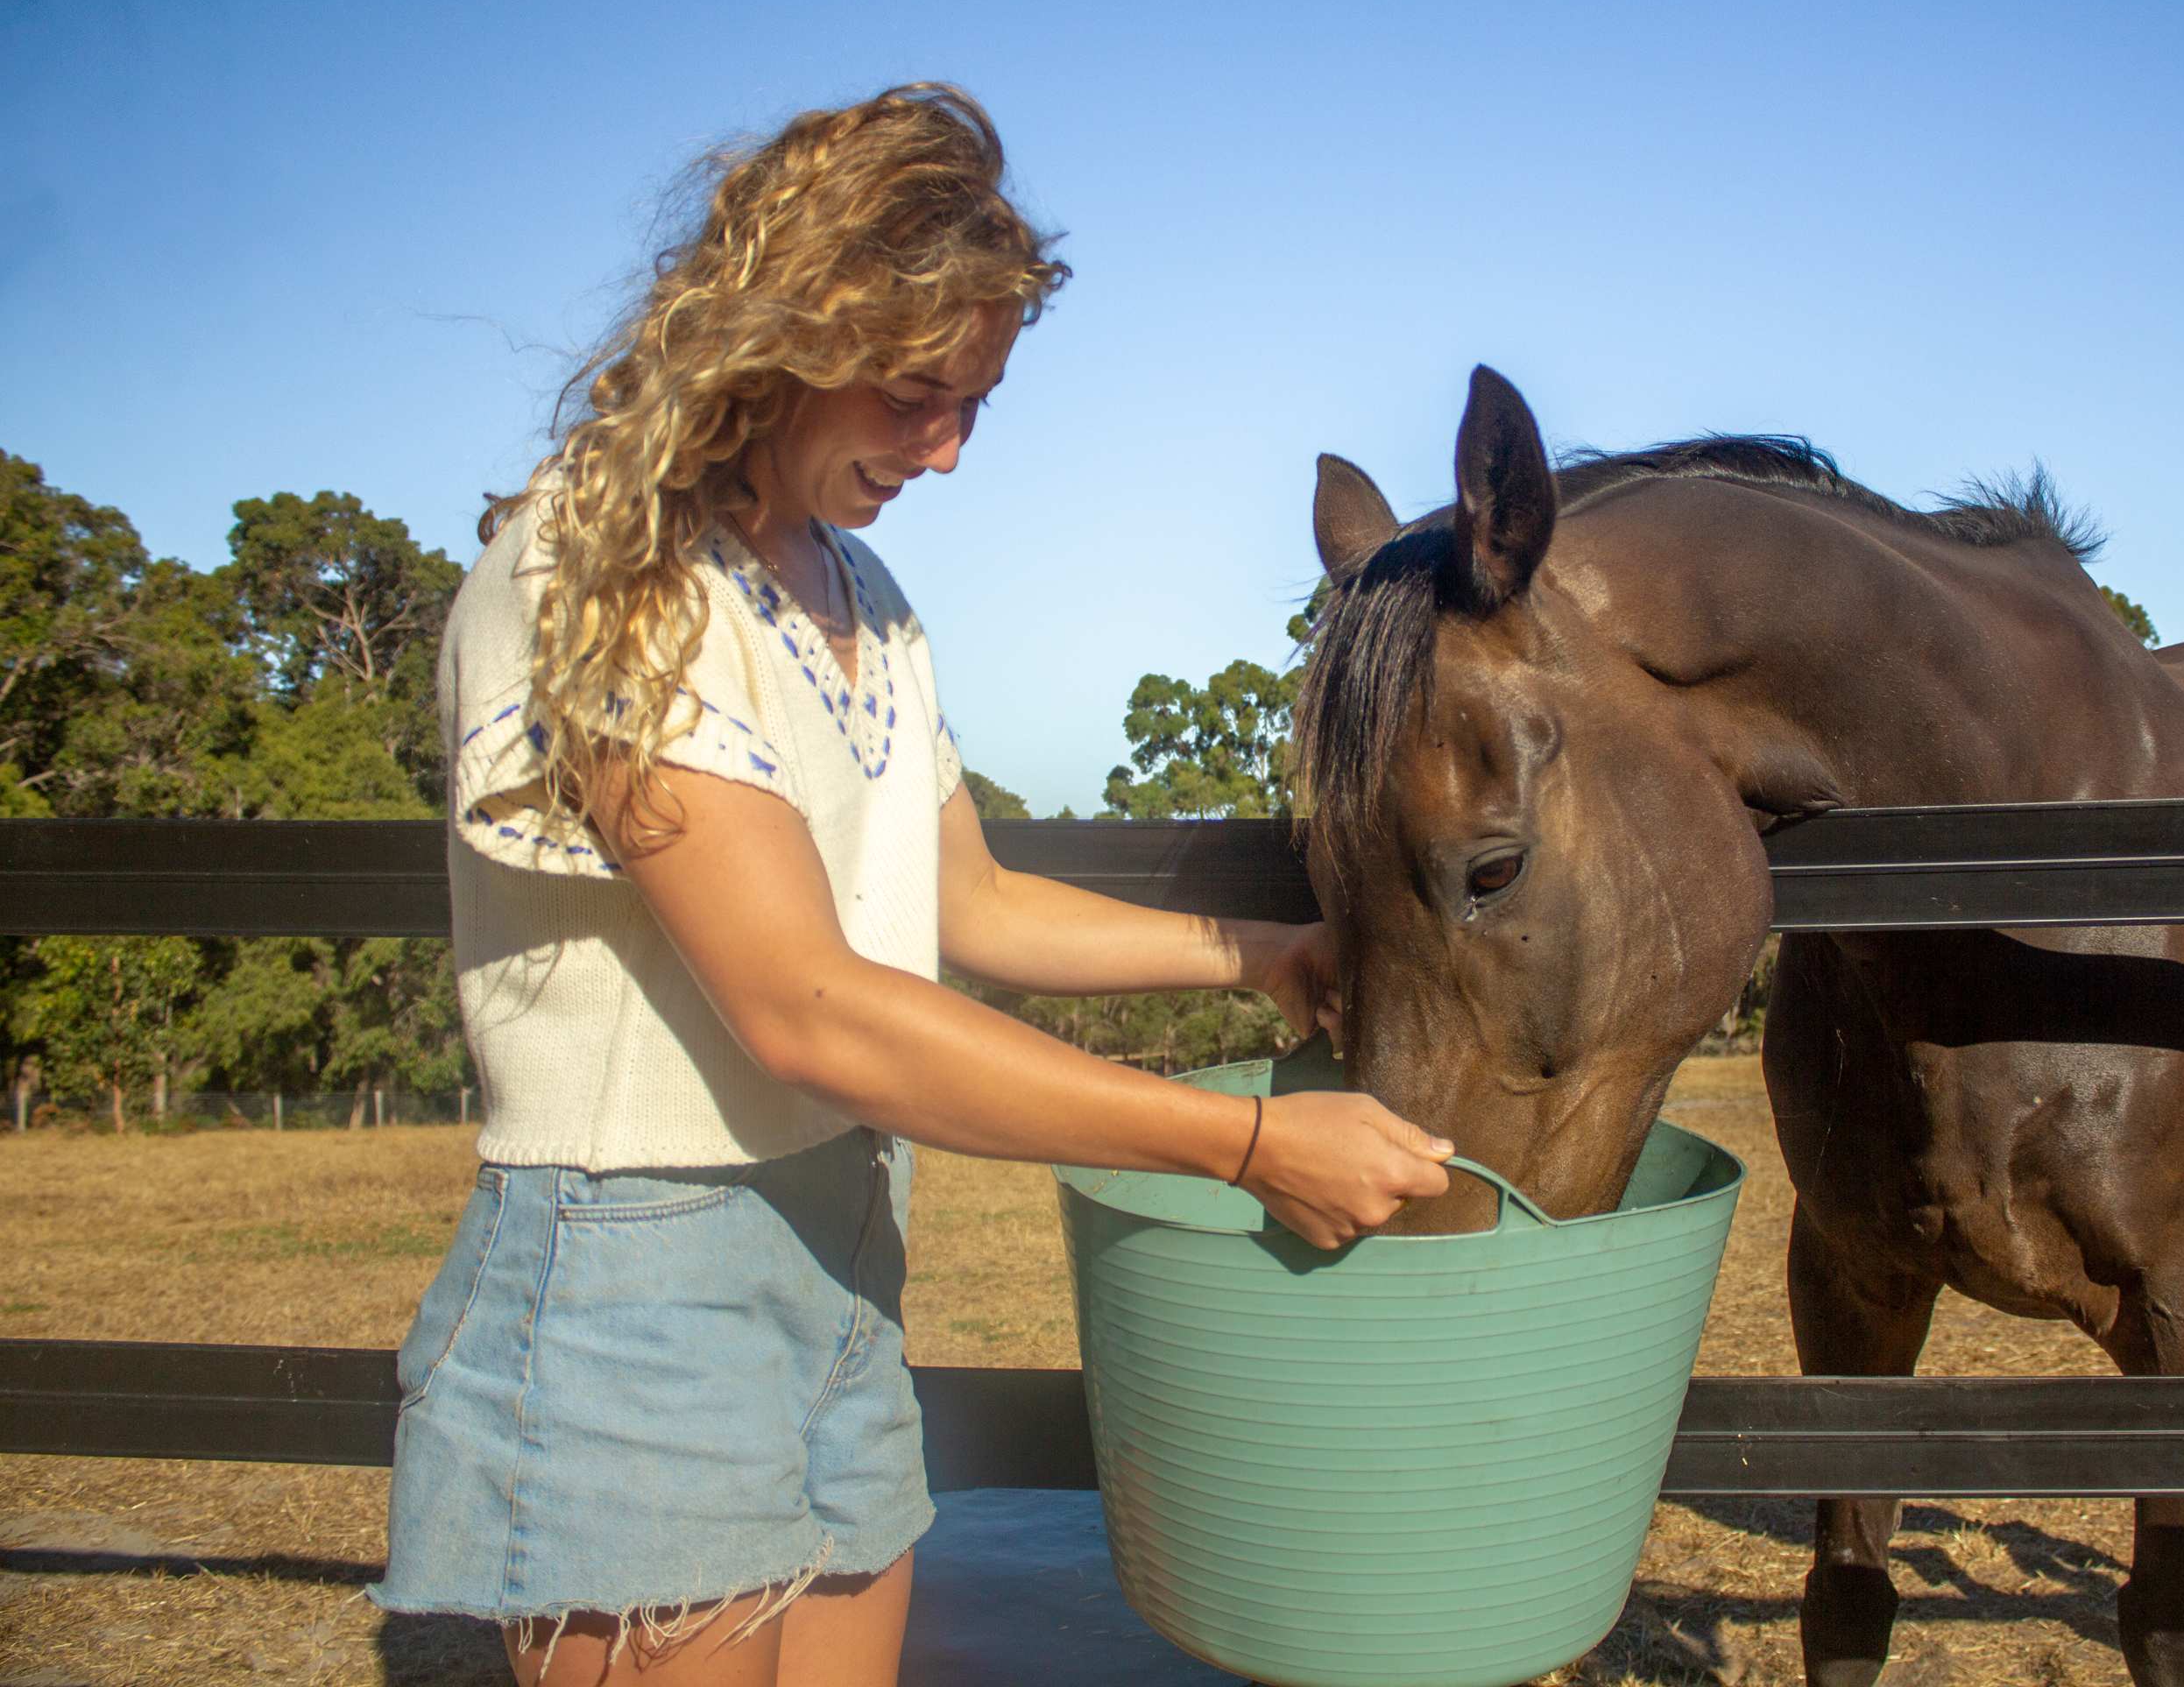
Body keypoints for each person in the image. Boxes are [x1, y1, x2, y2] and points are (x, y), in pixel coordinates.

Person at [369, 84, 1452, 1686]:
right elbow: (808, 1008)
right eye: (912, 392)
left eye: (977, 407)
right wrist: (1247, 1145)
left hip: (844, 1255)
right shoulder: (598, 578)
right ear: (779, 331)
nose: (944, 451)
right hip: (635, 1281)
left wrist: (1260, 951)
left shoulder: (865, 593)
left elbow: (970, 906)